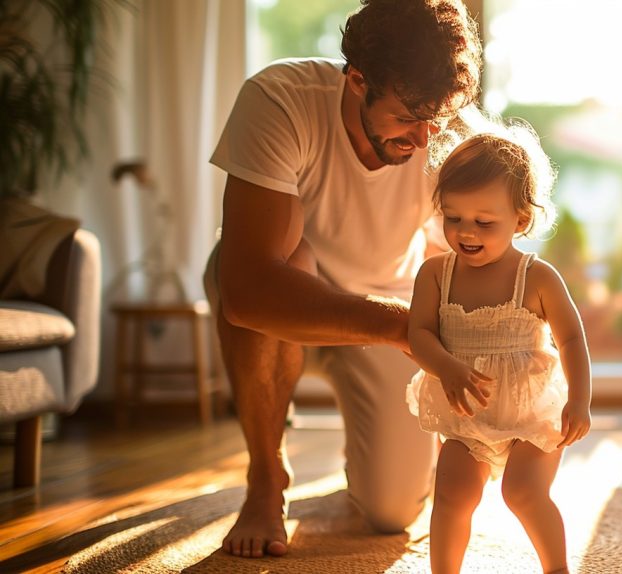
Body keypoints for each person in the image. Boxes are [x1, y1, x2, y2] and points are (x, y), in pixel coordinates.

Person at [202, 0, 482, 559]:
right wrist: (406, 328)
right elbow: (250, 288)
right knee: (255, 268)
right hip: (303, 303)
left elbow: (461, 257)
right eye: (407, 118)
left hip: (387, 308)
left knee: (392, 512)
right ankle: (265, 480)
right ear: (357, 80)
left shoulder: (446, 134)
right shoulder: (281, 99)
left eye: (438, 118)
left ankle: (368, 469)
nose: (426, 138)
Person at [406, 127, 593, 574]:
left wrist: (580, 400)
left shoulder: (538, 277)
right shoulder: (436, 274)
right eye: (453, 218)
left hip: (530, 415)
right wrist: (447, 368)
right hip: (467, 417)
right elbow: (419, 335)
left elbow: (571, 338)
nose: (465, 232)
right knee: (451, 495)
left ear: (521, 219)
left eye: (484, 222)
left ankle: (557, 570)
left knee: (523, 493)